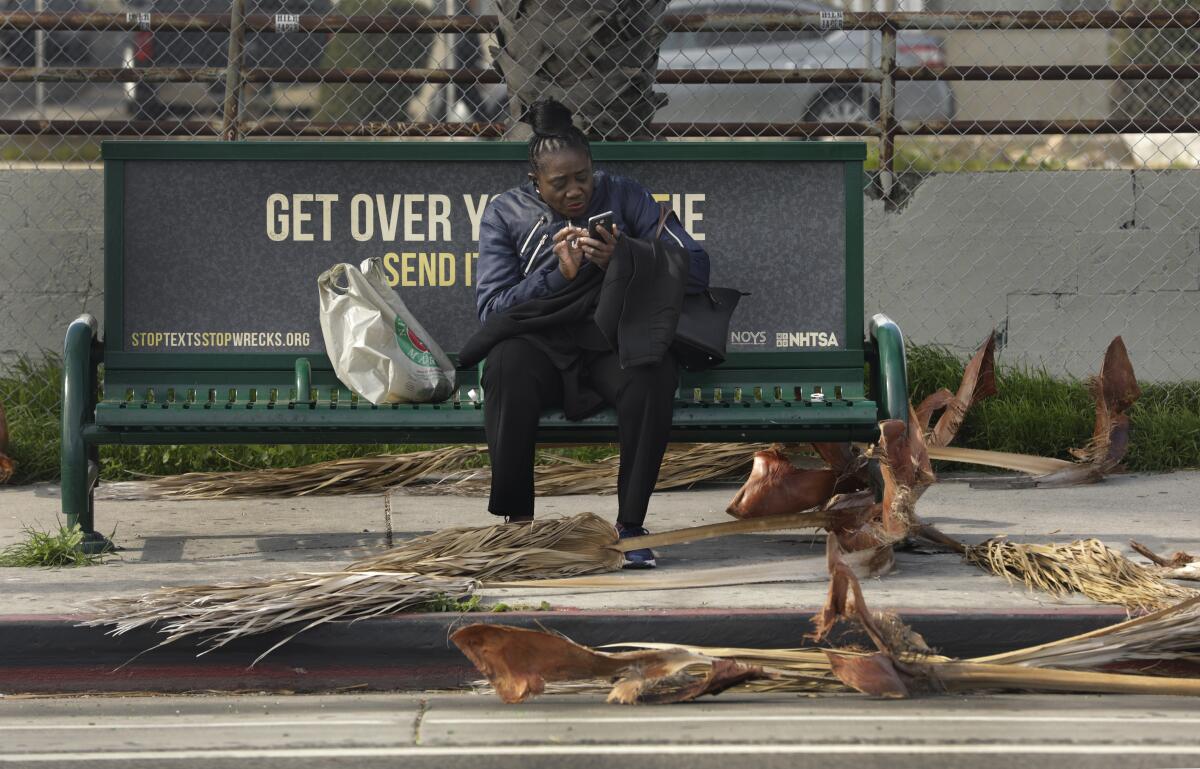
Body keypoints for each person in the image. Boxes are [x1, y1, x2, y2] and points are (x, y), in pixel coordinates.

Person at [469, 98, 709, 569]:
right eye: (559, 184)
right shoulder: (506, 213)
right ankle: (519, 524)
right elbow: (492, 309)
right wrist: (556, 274)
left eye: (583, 177)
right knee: (505, 364)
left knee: (653, 369)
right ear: (535, 182)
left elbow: (696, 267)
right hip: (542, 342)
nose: (575, 191)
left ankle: (630, 526)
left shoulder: (626, 197)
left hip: (611, 339)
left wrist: (626, 258)